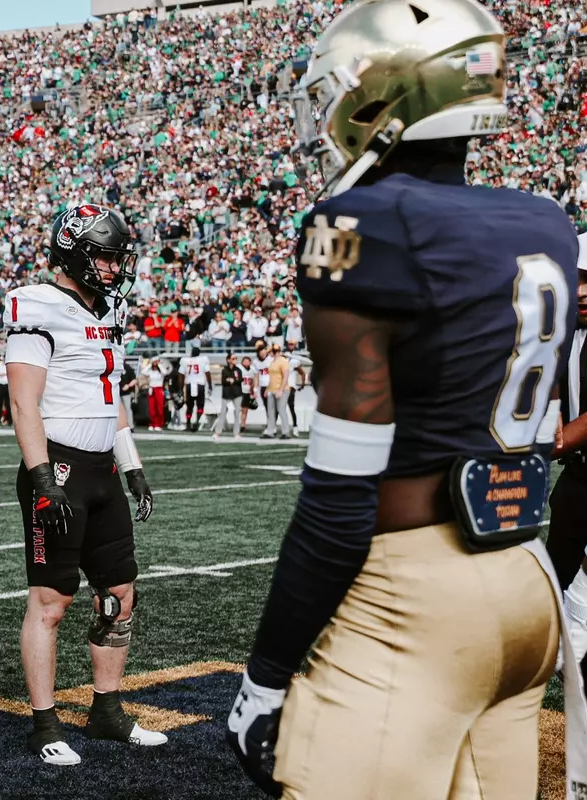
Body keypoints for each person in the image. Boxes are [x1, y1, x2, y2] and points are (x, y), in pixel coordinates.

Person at [226, 4, 583, 797]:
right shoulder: (545, 219)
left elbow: (339, 499)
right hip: (527, 575)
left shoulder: (365, 223)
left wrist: (267, 673)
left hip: (414, 595)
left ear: (380, 96)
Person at [5, 204, 163, 767]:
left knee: (120, 593)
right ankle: (44, 722)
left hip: (101, 469)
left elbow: (111, 397)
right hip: (60, 467)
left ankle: (106, 709)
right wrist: (42, 477)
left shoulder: (108, 310)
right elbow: (23, 401)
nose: (115, 268)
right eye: (104, 256)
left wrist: (134, 462)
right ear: (73, 254)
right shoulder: (37, 304)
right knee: (52, 602)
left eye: (118, 257)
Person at [549, 233, 587, 686]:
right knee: (553, 589)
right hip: (577, 482)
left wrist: (554, 441)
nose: (580, 289)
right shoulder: (563, 333)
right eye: (574, 278)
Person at [211, 352, 243, 442]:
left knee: (237, 412)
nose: (235, 360)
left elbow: (240, 379)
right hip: (227, 393)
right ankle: (217, 432)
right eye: (233, 358)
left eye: (236, 358)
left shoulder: (238, 370)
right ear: (228, 360)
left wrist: (232, 380)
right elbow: (224, 381)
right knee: (223, 412)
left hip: (237, 393)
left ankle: (236, 432)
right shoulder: (225, 370)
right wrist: (230, 380)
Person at [263, 343, 291, 440]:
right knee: (270, 411)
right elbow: (272, 378)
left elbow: (285, 376)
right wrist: (267, 388)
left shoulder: (283, 361)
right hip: (272, 389)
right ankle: (270, 431)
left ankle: (286, 432)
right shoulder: (272, 362)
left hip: (282, 389)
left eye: (270, 351)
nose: (269, 353)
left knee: (281, 409)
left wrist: (281, 390)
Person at [178, 345, 209, 431]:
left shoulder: (185, 361)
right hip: (200, 385)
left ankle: (188, 423)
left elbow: (181, 375)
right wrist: (210, 385)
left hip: (189, 385)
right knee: (200, 405)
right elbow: (207, 373)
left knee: (189, 406)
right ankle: (197, 421)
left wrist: (180, 388)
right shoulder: (203, 360)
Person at [142, 356, 166, 431]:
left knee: (159, 407)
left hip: (159, 389)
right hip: (151, 389)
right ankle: (152, 423)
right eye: (154, 363)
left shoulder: (161, 372)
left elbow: (165, 372)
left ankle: (159, 424)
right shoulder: (150, 371)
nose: (155, 364)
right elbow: (143, 372)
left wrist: (159, 364)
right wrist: (150, 364)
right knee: (152, 408)